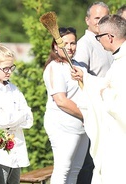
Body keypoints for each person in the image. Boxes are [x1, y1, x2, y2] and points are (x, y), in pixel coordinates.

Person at [72, 14, 126, 184]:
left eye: (99, 37)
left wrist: (103, 93)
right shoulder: (119, 60)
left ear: (109, 37)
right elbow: (108, 85)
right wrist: (86, 78)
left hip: (120, 136)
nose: (98, 40)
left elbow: (119, 101)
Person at [0, 43, 33, 184]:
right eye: (5, 68)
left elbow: (29, 118)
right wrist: (19, 116)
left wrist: (14, 118)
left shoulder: (13, 88)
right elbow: (1, 121)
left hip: (16, 148)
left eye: (11, 67)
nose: (9, 72)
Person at [43, 27, 89, 184]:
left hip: (82, 126)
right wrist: (86, 115)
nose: (70, 47)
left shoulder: (78, 66)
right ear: (56, 45)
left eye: (73, 43)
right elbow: (61, 100)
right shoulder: (54, 68)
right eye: (65, 43)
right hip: (63, 125)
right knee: (63, 169)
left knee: (75, 170)